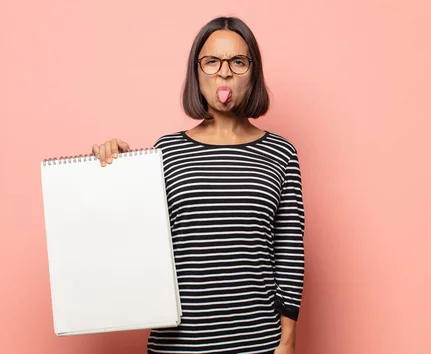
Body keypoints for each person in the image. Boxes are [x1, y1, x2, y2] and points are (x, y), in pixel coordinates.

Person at [90, 16, 305, 354]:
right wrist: (117, 171)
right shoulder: (166, 151)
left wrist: (287, 340)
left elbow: (289, 251)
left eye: (237, 61)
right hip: (179, 345)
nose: (224, 72)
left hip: (259, 342)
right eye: (211, 62)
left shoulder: (281, 153)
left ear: (253, 72)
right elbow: (132, 241)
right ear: (197, 72)